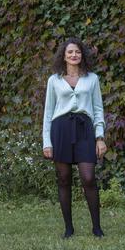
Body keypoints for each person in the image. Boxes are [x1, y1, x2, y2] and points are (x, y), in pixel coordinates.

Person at [42, 37, 107, 238]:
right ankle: (68, 228)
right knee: (63, 179)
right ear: (64, 55)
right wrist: (47, 141)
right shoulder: (54, 80)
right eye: (70, 52)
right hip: (60, 129)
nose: (73, 55)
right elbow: (48, 112)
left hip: (85, 129)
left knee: (88, 178)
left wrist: (100, 136)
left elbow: (97, 109)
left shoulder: (92, 78)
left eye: (77, 52)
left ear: (82, 55)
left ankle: (97, 227)